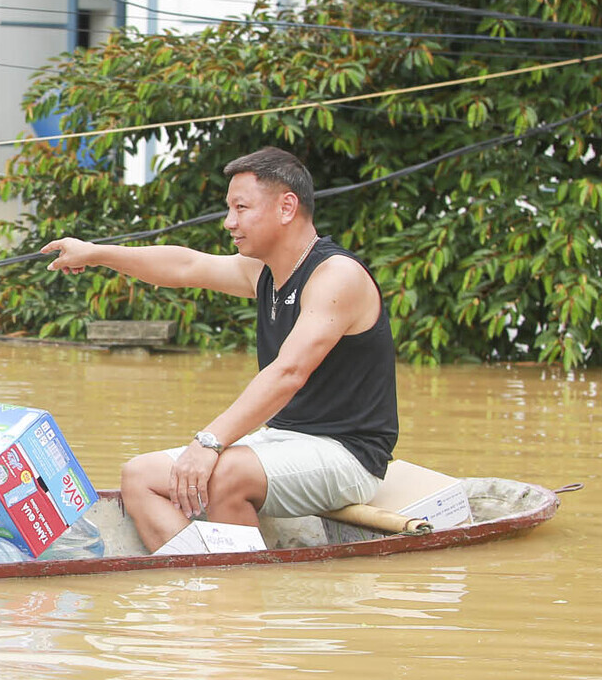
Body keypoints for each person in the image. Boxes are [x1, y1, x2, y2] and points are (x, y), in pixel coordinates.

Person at [41, 146, 399, 553]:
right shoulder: (266, 272)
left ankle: (235, 598)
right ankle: (205, 587)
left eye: (241, 207)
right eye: (229, 209)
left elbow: (288, 372)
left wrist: (209, 442)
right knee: (138, 475)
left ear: (286, 207)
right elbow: (185, 267)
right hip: (285, 440)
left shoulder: (336, 276)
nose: (230, 222)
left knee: (225, 472)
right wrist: (95, 253)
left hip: (349, 455)